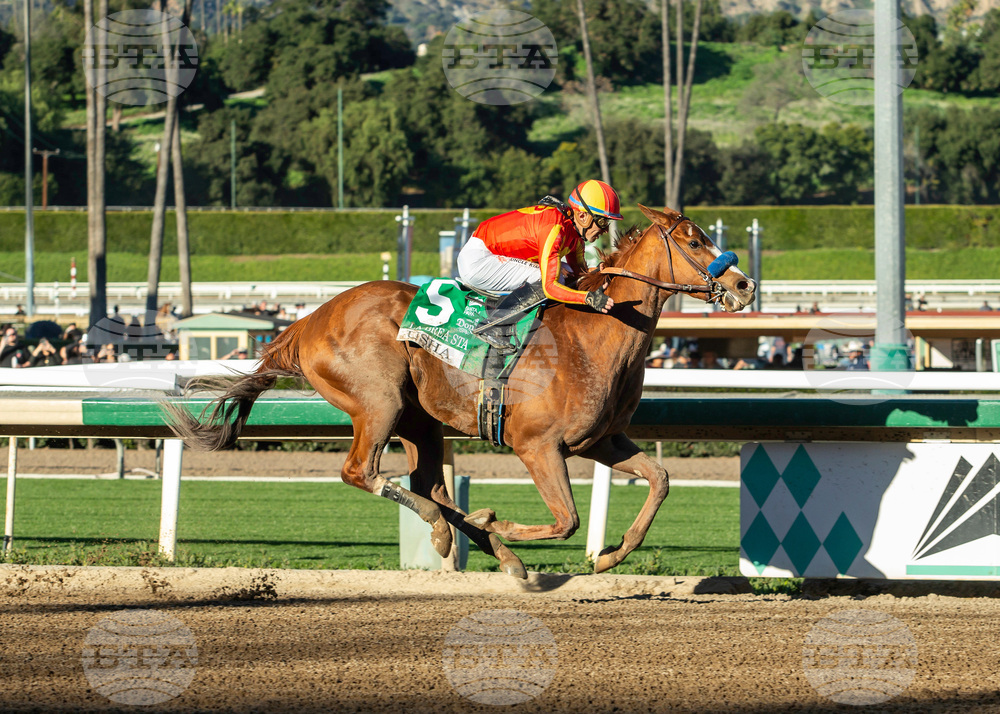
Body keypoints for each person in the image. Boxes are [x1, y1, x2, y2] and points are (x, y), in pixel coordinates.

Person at [456, 179, 622, 350]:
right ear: (582, 216)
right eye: (602, 222)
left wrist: (599, 273)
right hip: (479, 259)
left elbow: (579, 273)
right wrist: (586, 298)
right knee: (553, 277)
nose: (606, 230)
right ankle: (494, 325)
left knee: (567, 271)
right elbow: (550, 287)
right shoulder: (555, 230)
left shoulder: (575, 235)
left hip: (492, 252)